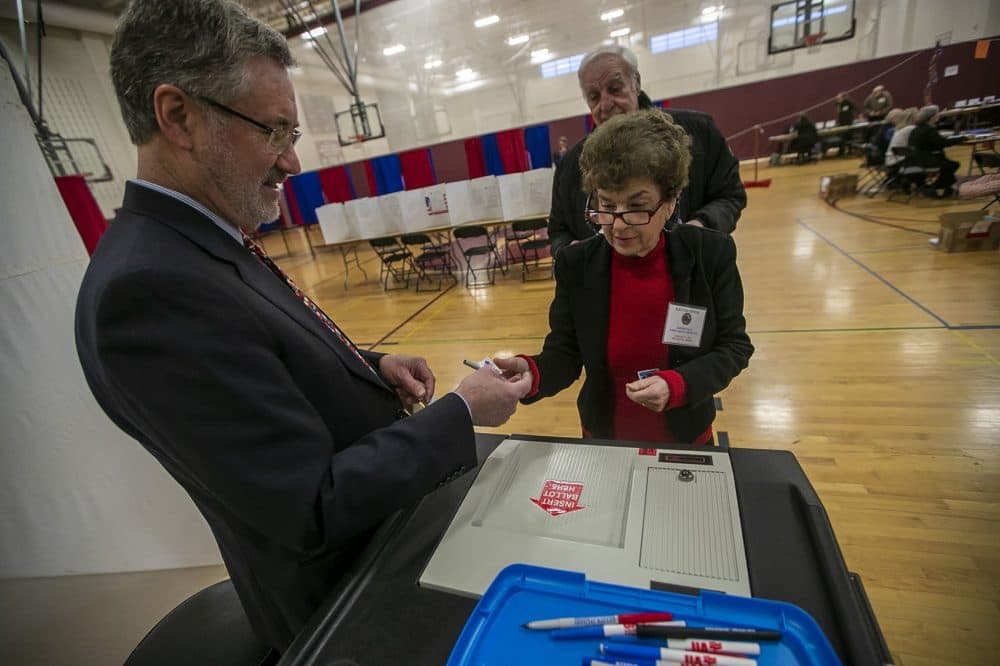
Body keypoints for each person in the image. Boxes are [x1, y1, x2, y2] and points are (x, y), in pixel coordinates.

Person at [74, 0, 530, 655]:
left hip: (381, 538)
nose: (292, 162)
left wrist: (367, 366)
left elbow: (259, 359)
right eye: (275, 131)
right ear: (179, 117)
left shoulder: (196, 242)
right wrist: (462, 411)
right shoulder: (146, 291)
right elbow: (308, 506)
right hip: (346, 599)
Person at [494, 110, 753, 445]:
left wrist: (678, 384)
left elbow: (734, 346)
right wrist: (533, 372)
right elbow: (566, 351)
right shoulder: (577, 264)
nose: (617, 225)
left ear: (672, 200)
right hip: (604, 436)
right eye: (606, 205)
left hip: (686, 437)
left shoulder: (710, 254)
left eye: (636, 207)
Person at [548, 45, 746, 258]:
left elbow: (730, 196)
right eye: (594, 97)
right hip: (607, 287)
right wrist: (571, 251)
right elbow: (559, 231)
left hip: (692, 276)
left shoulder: (698, 133)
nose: (605, 105)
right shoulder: (570, 166)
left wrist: (700, 226)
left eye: (615, 89)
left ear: (636, 83)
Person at [908, 104, 962, 198]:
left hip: (917, 159)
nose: (939, 115)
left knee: (947, 163)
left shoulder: (916, 129)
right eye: (937, 114)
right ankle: (936, 186)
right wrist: (960, 139)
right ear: (932, 117)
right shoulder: (929, 130)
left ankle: (947, 189)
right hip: (927, 160)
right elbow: (942, 143)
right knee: (952, 165)